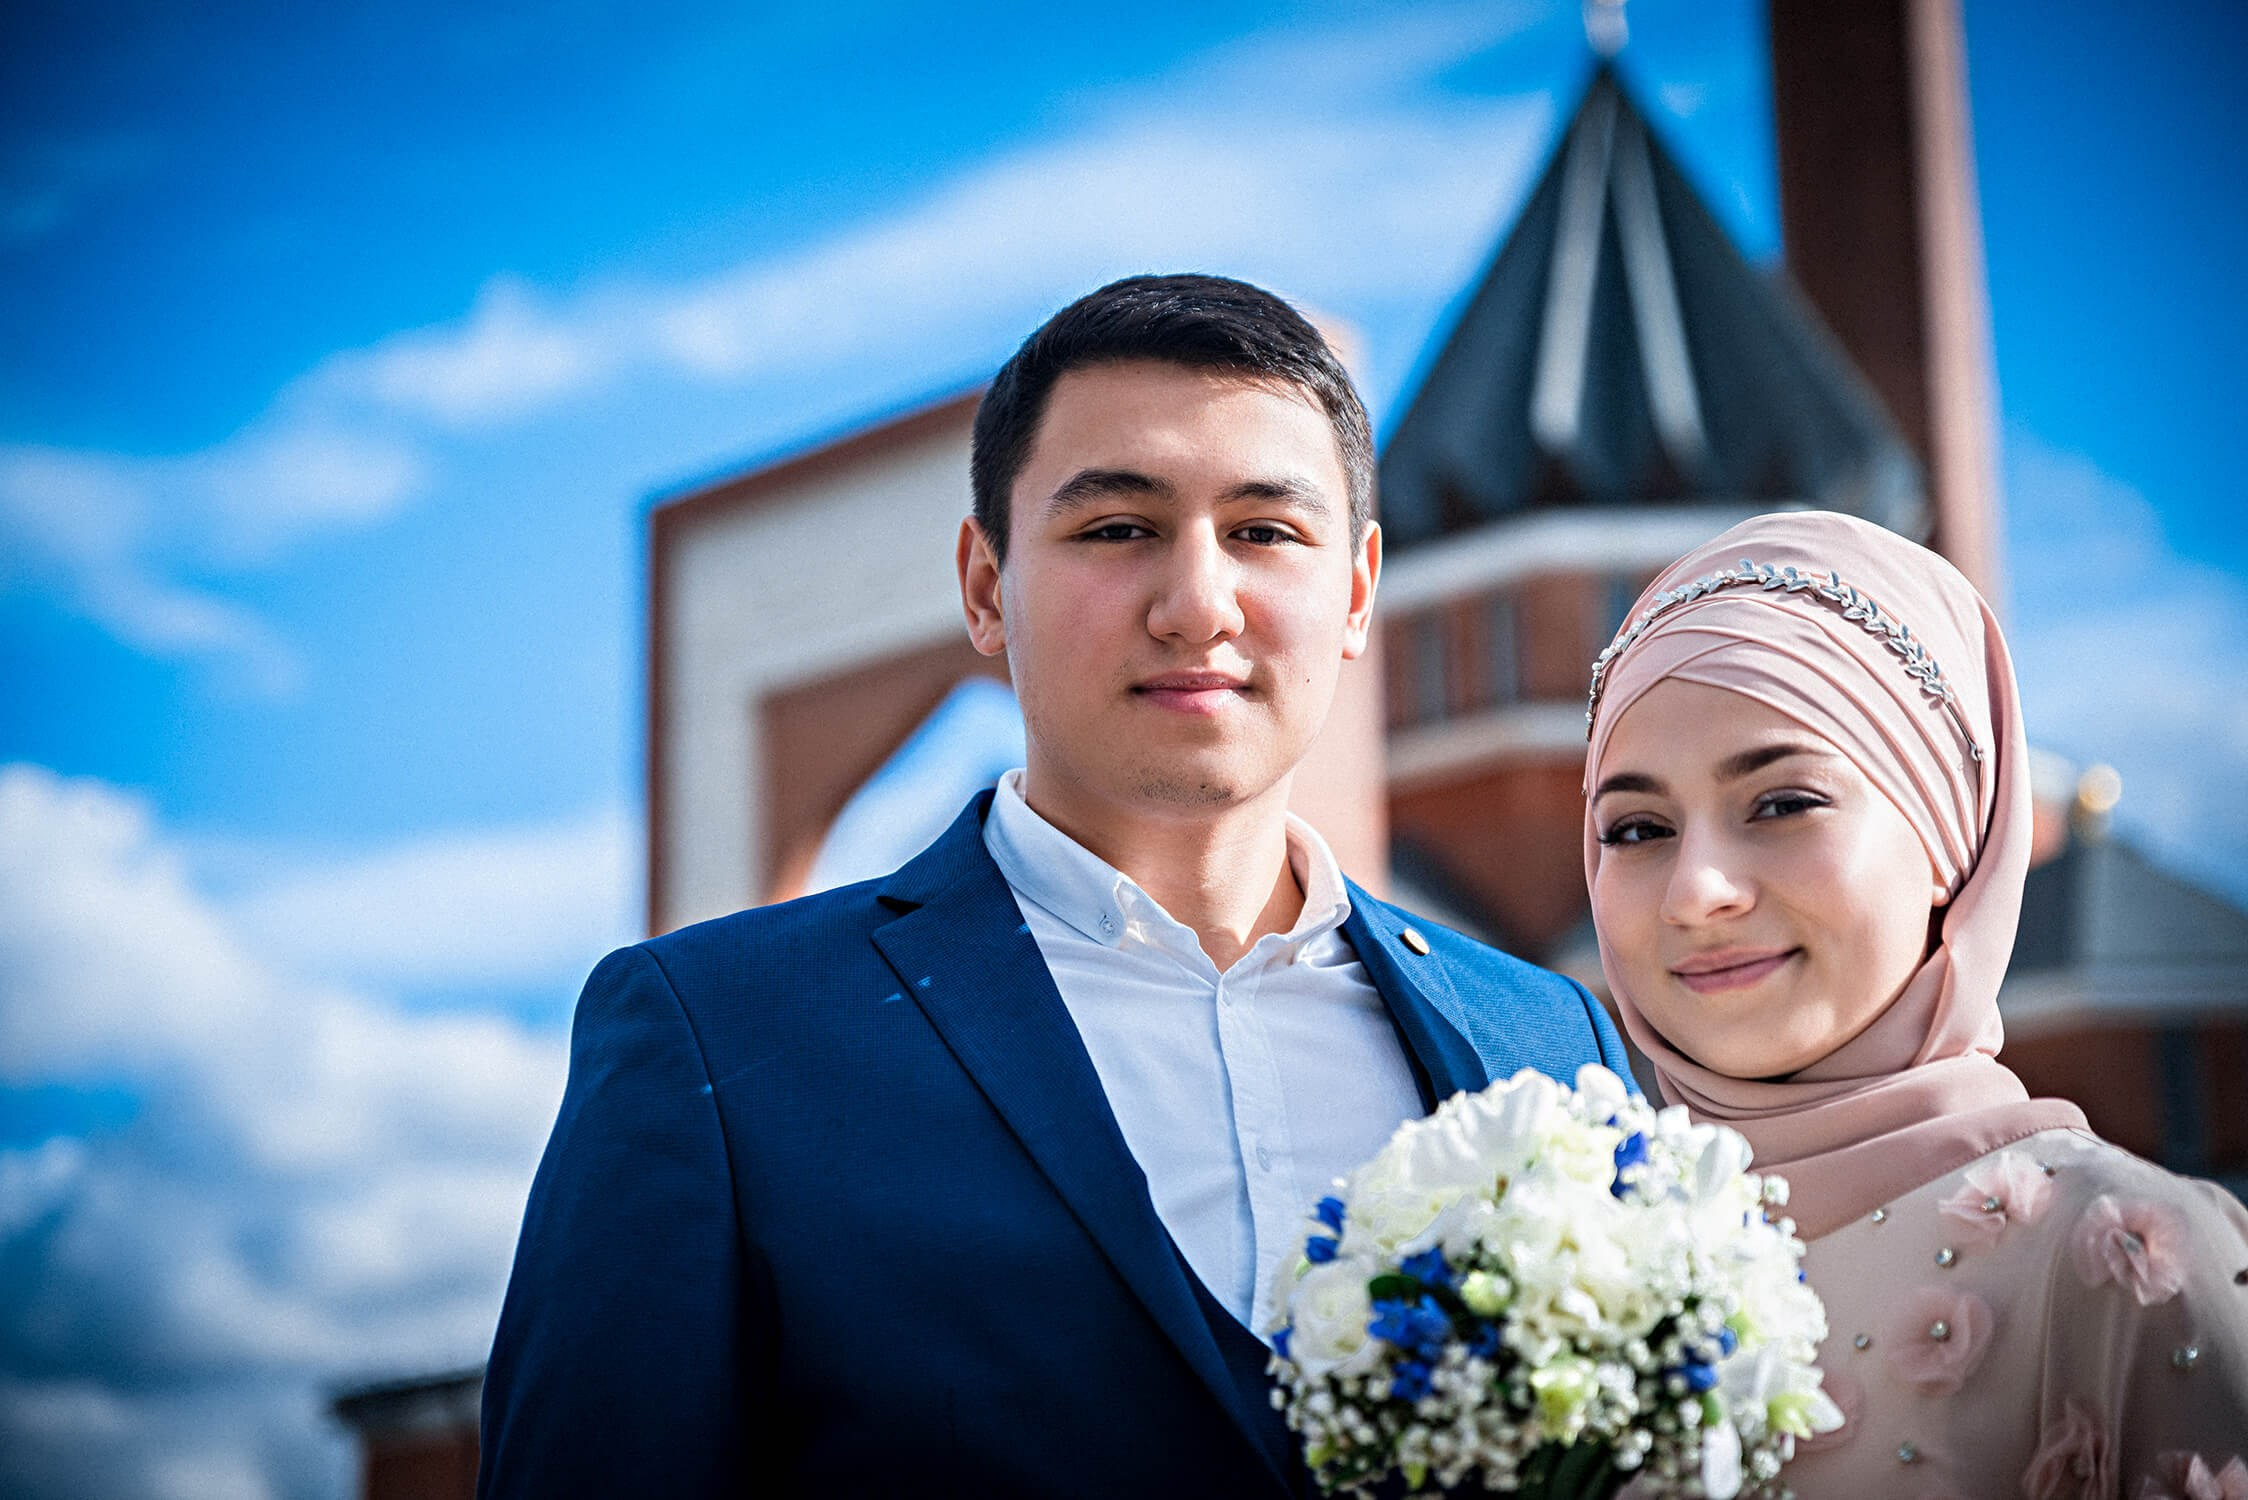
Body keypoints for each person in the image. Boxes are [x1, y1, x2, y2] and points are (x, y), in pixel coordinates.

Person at [479, 273, 1632, 1499]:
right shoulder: (718, 1037)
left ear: (1353, 595)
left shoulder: (1548, 1044)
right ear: (985, 588)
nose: (1197, 606)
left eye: (1264, 532)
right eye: (1116, 529)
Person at [1582, 509, 2248, 1496]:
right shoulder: (1554, 1265)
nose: (1696, 892)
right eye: (1636, 828)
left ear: (1947, 835)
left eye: (1780, 803)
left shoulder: (2129, 1260)